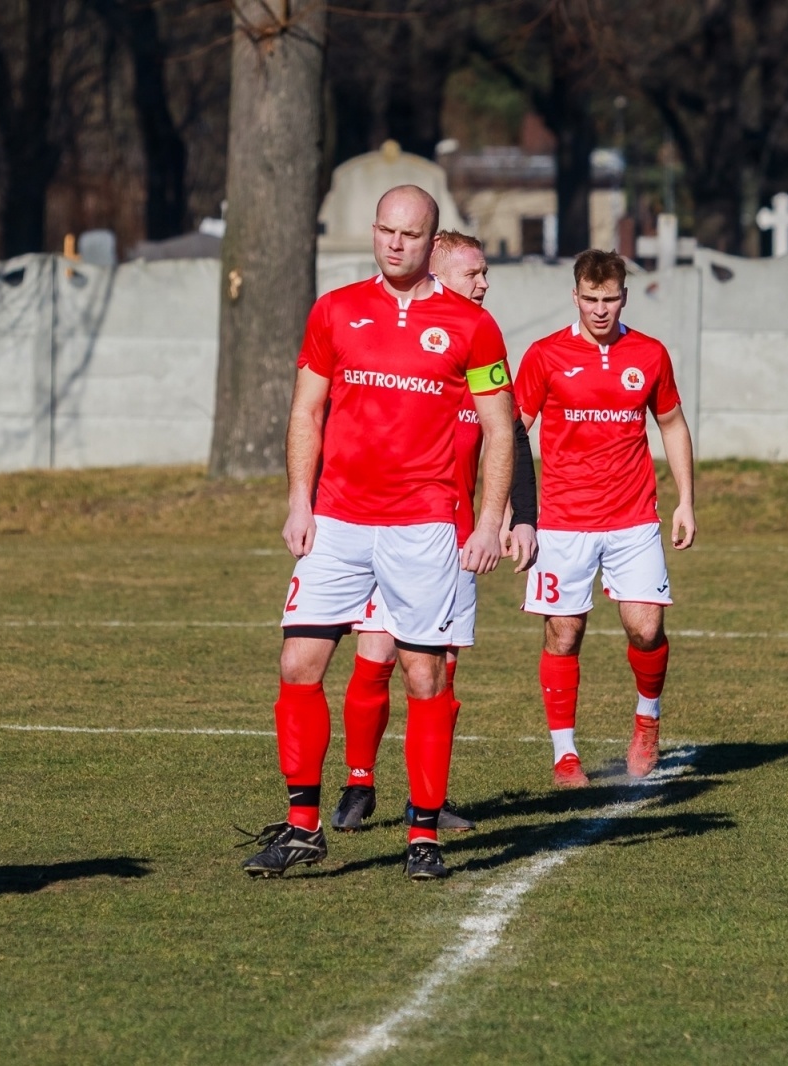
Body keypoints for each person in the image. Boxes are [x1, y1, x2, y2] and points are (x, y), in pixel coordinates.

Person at [240, 186, 515, 882]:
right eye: (386, 230)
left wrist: (488, 521)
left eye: (411, 234)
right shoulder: (333, 311)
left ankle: (423, 834)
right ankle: (304, 827)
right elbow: (306, 412)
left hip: (422, 526)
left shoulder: (471, 327)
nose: (395, 243)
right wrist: (299, 500)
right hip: (336, 520)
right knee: (298, 664)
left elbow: (501, 429)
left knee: (423, 674)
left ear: (432, 242)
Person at [331, 230, 539, 834]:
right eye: (473, 272)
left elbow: (513, 436)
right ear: (438, 271)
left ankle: (429, 796)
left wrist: (518, 516)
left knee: (439, 670)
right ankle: (358, 783)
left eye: (485, 272)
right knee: (374, 653)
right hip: (381, 525)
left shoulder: (481, 346)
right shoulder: (396, 345)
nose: (484, 283)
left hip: (450, 537)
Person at [512, 248, 696, 788]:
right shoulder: (545, 356)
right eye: (590, 299)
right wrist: (506, 510)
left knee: (646, 628)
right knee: (564, 635)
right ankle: (565, 755)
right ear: (575, 296)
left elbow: (673, 424)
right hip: (563, 523)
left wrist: (685, 500)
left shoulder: (650, 354)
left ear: (624, 296)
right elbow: (513, 436)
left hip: (632, 518)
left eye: (609, 299)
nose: (600, 309)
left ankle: (647, 722)